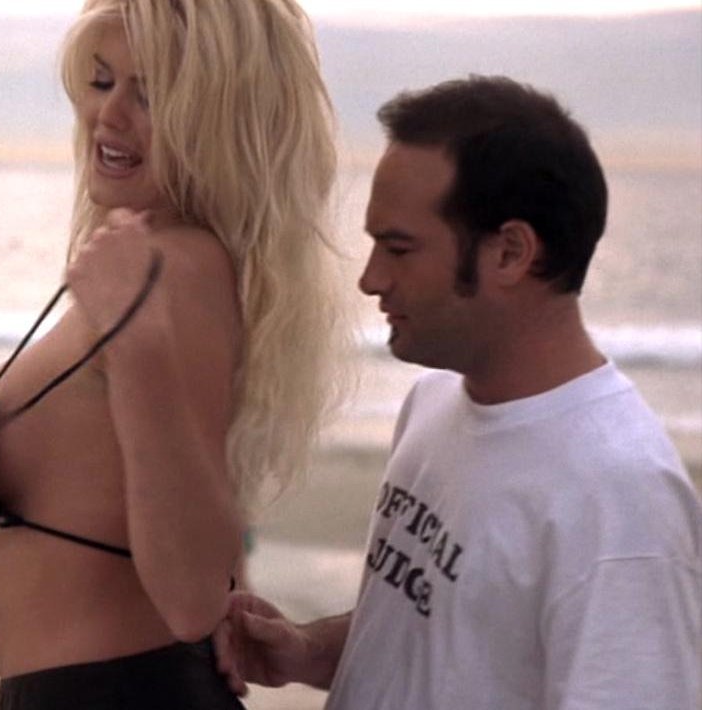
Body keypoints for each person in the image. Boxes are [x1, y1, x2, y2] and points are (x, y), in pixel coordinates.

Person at [214, 75, 702, 709]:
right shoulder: (435, 402)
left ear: (510, 252)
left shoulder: (619, 499)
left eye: (398, 248)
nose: (370, 279)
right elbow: (441, 633)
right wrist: (308, 651)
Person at [0, 0, 346, 707]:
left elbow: (189, 599)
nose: (111, 114)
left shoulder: (175, 270)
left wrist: (136, 349)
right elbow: (198, 479)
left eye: (150, 95)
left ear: (218, 120)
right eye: (102, 82)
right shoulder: (150, 259)